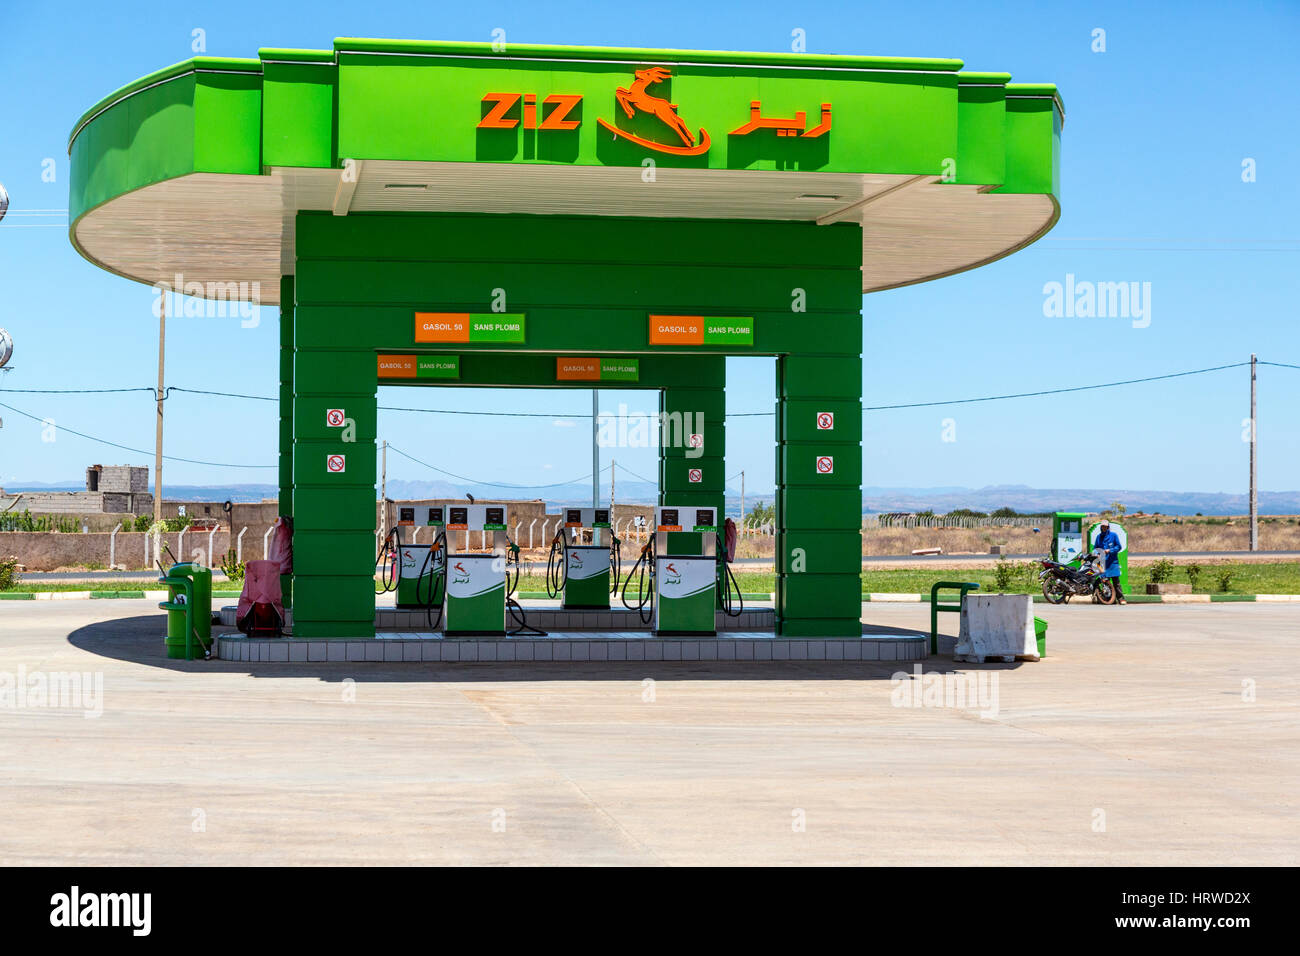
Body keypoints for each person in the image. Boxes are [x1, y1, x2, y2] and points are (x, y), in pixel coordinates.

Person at [1095, 520, 1125, 604]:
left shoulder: (1113, 535)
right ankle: (1109, 599)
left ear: (1108, 527)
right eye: (1102, 527)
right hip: (1103, 563)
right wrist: (1097, 554)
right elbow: (1095, 548)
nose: (1104, 528)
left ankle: (1121, 598)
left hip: (1112, 563)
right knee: (1105, 582)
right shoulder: (1098, 537)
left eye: (1105, 526)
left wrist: (1110, 550)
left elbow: (1118, 547)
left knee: (1116, 582)